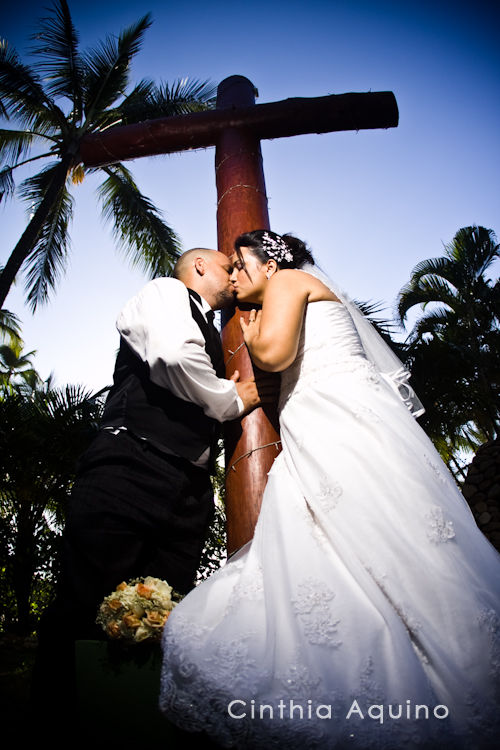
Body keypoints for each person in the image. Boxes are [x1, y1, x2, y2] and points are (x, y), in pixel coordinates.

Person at [159, 231, 500, 750]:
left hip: (339, 416)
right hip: (317, 419)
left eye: (240, 263)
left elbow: (274, 354)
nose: (234, 275)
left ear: (269, 261)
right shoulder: (290, 285)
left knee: (385, 532)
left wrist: (251, 339)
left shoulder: (291, 280)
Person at [31, 248, 260, 730]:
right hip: (129, 468)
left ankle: (137, 725)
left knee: (165, 618)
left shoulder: (215, 330)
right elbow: (173, 355)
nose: (234, 273)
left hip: (188, 491)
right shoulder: (165, 292)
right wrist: (232, 397)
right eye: (227, 265)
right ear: (199, 267)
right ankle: (53, 723)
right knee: (81, 605)